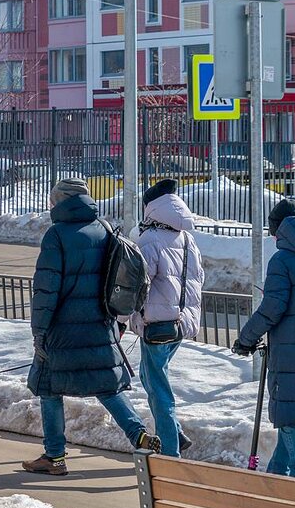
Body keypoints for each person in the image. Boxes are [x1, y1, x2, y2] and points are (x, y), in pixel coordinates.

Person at [23, 178, 161, 476]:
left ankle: (55, 457)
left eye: (52, 199)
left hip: (62, 330)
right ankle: (138, 434)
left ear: (60, 201)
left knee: (49, 388)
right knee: (106, 387)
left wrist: (39, 333)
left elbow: (46, 291)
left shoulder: (56, 236)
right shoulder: (105, 229)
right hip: (101, 325)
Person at [233, 198, 295, 480]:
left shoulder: (281, 261)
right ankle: (275, 477)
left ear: (279, 231)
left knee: (289, 418)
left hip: (292, 352)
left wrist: (246, 339)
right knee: (292, 414)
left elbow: (272, 307)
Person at [129, 179, 205, 457]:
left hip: (157, 325)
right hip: (179, 323)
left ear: (151, 207)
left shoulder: (150, 239)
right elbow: (198, 279)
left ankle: (170, 451)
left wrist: (122, 317)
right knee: (151, 378)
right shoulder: (186, 238)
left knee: (158, 389)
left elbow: (138, 282)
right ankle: (176, 433)